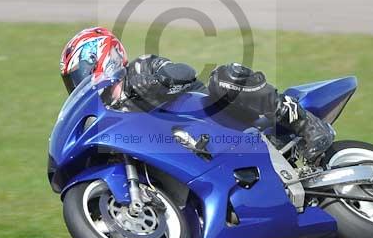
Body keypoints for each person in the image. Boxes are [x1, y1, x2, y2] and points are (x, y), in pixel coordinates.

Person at [59, 27, 335, 164]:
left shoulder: (141, 68)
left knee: (224, 77)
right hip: (199, 157)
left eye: (79, 71)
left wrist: (157, 80)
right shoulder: (110, 114)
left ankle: (308, 125)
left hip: (230, 124)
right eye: (73, 79)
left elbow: (185, 72)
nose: (79, 81)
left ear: (103, 55)